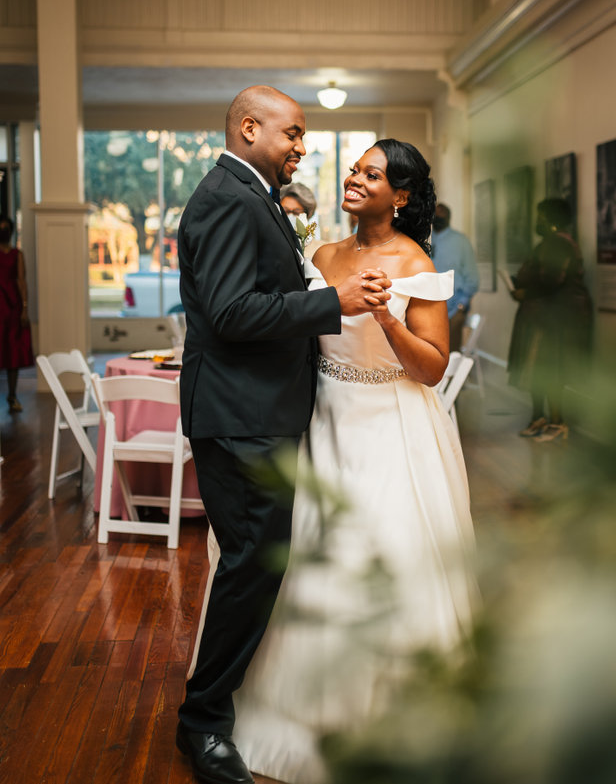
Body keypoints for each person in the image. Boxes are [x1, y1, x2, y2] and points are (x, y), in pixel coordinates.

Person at [192, 138, 477, 783]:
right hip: (316, 418)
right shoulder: (321, 253)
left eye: (371, 174)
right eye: (354, 168)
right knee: (296, 562)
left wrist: (387, 317)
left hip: (387, 427)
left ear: (399, 195)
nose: (354, 179)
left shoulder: (414, 260)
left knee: (371, 560)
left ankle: (377, 719)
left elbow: (431, 369)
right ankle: (285, 708)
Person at [176, 85, 392, 784]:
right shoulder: (228, 199)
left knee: (257, 561)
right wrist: (334, 301)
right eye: (293, 133)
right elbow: (235, 311)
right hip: (241, 417)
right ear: (248, 128)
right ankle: (203, 721)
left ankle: (219, 705)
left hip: (259, 411)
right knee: (251, 562)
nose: (302, 146)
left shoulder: (250, 194)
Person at [507, 197, 593, 442]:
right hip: (540, 316)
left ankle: (558, 422)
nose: (538, 221)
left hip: (557, 319)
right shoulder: (549, 243)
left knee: (552, 368)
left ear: (552, 219)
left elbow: (553, 279)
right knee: (536, 367)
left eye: (541, 216)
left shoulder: (560, 244)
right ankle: (539, 417)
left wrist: (526, 292)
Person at [430, 202, 479, 350]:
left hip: (453, 310)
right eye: (435, 214)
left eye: (442, 214)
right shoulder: (425, 238)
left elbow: (472, 277)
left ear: (448, 218)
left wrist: (461, 306)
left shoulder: (461, 241)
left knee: (450, 355)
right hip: (428, 309)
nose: (438, 217)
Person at [0, 216, 33, 412]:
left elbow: (22, 281)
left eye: (5, 228)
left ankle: (12, 394)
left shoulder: (17, 254)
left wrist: (25, 307)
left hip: (12, 305)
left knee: (12, 350)